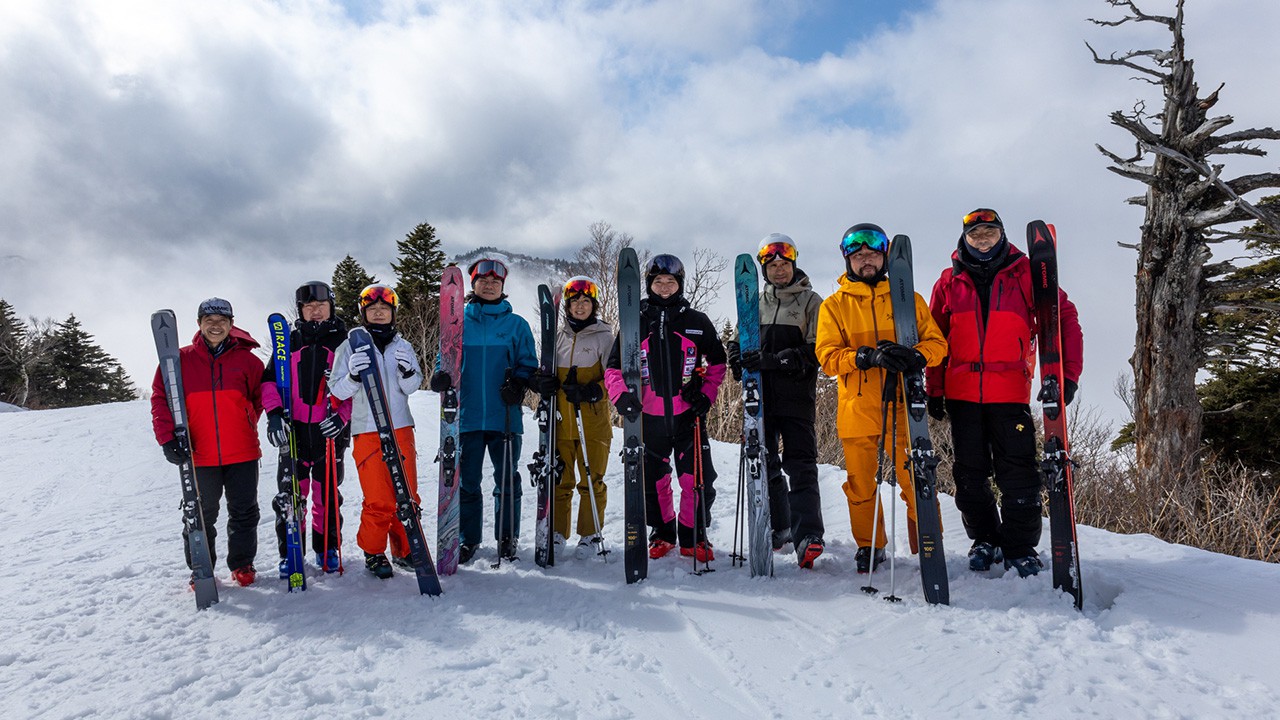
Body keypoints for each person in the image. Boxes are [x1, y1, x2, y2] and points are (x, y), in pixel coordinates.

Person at [926, 208, 1083, 577]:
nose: (983, 240)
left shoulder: (1027, 273)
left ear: (1002, 235)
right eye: (976, 235)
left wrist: (1067, 375)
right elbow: (934, 337)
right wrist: (934, 388)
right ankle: (984, 539)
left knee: (1018, 475)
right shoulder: (949, 281)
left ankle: (1019, 546)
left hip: (1009, 394)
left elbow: (1066, 317)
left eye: (990, 233)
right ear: (964, 239)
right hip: (961, 395)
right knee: (969, 475)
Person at [815, 225, 947, 574]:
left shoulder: (909, 299)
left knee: (915, 478)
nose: (866, 261)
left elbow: (938, 345)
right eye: (858, 256)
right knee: (860, 484)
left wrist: (915, 356)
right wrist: (863, 358)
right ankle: (870, 545)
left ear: (884, 257)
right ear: (849, 261)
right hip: (858, 407)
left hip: (903, 405)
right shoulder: (834, 306)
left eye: (872, 255)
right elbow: (826, 356)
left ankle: (928, 543)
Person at [605, 254, 728, 562]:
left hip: (688, 415)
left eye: (670, 282)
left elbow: (718, 361)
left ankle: (693, 536)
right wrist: (620, 396)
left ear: (679, 284)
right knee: (654, 481)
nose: (664, 287)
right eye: (658, 282)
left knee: (696, 479)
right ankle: (663, 533)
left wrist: (707, 394)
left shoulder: (696, 321)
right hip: (649, 417)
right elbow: (613, 368)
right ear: (649, 284)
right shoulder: (636, 320)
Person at [726, 234, 827, 568]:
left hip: (796, 398)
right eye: (772, 266)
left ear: (793, 265)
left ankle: (808, 535)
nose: (779, 270)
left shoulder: (812, 302)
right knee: (764, 466)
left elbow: (815, 353)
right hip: (760, 400)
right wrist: (737, 357)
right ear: (764, 269)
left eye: (784, 264)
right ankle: (780, 527)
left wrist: (772, 360)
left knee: (800, 467)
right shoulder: (755, 301)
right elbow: (741, 341)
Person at [429, 258, 538, 564]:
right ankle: (467, 539)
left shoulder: (516, 325)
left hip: (504, 416)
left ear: (502, 287)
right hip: (467, 417)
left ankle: (507, 537)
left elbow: (528, 363)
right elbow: (445, 360)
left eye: (495, 282)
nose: (489, 286)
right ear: (473, 285)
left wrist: (519, 382)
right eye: (483, 281)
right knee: (467, 483)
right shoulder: (458, 321)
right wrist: (440, 376)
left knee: (507, 481)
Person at [151, 297, 265, 587]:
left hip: (242, 451)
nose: (216, 326)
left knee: (244, 511)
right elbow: (160, 399)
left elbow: (258, 398)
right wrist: (167, 438)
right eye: (210, 321)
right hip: (199, 453)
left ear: (231, 324)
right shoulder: (179, 360)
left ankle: (242, 564)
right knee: (200, 513)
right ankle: (201, 567)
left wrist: (247, 419)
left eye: (222, 321)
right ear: (199, 324)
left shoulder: (249, 362)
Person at [328, 284, 423, 579]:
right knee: (379, 497)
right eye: (373, 309)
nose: (379, 313)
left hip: (401, 426)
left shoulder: (403, 346)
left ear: (393, 312)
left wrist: (409, 373)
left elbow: (412, 387)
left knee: (407, 494)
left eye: (384, 309)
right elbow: (337, 389)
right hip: (368, 430)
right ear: (364, 313)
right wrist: (354, 375)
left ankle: (405, 549)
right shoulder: (349, 346)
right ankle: (374, 551)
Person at [261, 281, 352, 577]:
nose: (315, 312)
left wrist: (342, 418)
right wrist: (274, 414)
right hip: (295, 432)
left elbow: (356, 388)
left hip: (329, 431)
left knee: (326, 496)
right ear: (300, 310)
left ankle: (326, 547)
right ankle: (291, 551)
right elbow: (268, 382)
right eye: (308, 307)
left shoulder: (343, 342)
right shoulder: (288, 342)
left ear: (331, 307)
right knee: (291, 496)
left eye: (321, 306)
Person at [544, 276, 614, 555]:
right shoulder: (557, 337)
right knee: (561, 479)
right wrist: (544, 382)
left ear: (593, 305)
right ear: (568, 306)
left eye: (586, 301)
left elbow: (614, 377)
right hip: (562, 420)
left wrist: (592, 391)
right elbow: (546, 371)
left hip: (593, 422)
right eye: (575, 301)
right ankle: (559, 531)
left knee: (592, 479)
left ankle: (590, 533)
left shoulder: (604, 336)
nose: (581, 306)